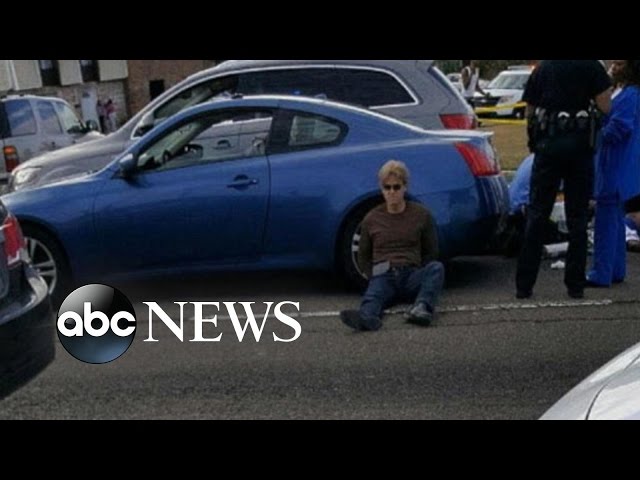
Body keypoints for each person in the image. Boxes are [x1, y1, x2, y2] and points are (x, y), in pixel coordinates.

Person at [515, 60, 611, 300]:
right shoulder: (592, 67)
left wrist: (535, 138)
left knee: (537, 214)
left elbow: (530, 111)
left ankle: (524, 284)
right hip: (580, 150)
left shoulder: (543, 68)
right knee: (577, 218)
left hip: (548, 148)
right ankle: (575, 284)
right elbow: (605, 106)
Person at [340, 160, 445, 332]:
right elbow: (363, 255)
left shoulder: (421, 214)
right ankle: (367, 318)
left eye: (396, 187)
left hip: (411, 273)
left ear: (405, 187)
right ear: (382, 189)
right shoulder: (372, 218)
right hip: (384, 275)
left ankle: (422, 308)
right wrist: (373, 275)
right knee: (373, 296)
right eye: (387, 187)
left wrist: (418, 267)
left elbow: (431, 250)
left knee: (436, 268)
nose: (392, 192)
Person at [587, 60, 640, 287]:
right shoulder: (627, 92)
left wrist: (594, 135)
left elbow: (620, 127)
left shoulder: (630, 95)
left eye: (619, 63)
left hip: (615, 163)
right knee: (615, 220)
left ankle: (601, 272)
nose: (614, 67)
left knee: (606, 221)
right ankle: (615, 269)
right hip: (622, 164)